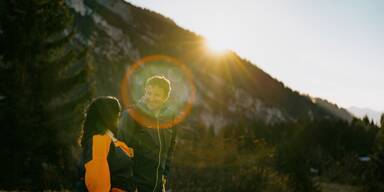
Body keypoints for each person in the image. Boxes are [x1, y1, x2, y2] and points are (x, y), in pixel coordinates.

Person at [118, 75, 177, 192]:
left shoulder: (170, 117)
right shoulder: (132, 114)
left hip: (158, 185)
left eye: (157, 95)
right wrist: (128, 182)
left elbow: (170, 148)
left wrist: (164, 174)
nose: (151, 98)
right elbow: (120, 149)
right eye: (149, 93)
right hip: (136, 184)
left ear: (165, 97)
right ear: (145, 92)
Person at [78, 96, 134, 192]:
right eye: (117, 114)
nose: (118, 118)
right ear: (109, 116)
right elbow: (97, 181)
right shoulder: (98, 140)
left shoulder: (109, 138)